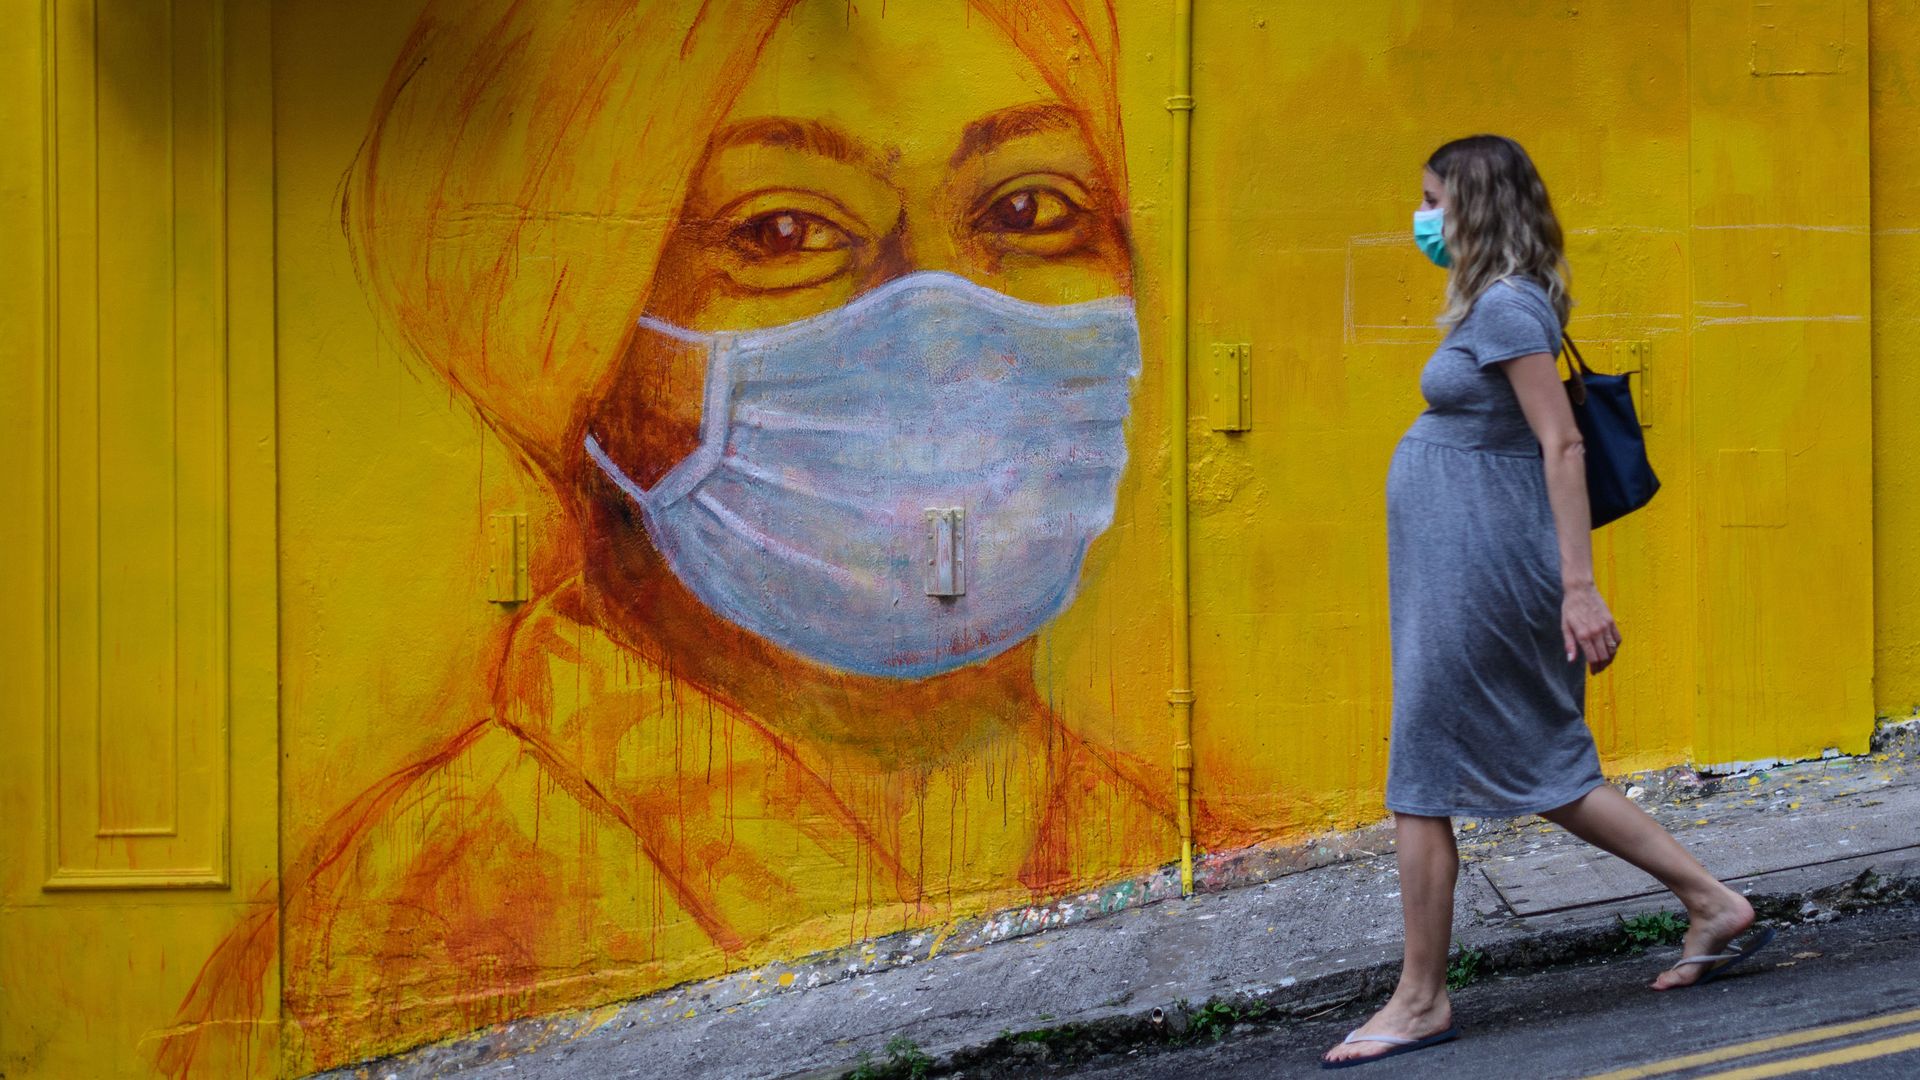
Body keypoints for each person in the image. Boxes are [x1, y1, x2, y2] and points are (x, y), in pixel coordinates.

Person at [154, 2, 1230, 1075]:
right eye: (784, 233)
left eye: (1033, 208)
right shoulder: (405, 936)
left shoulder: (1130, 839)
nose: (945, 315)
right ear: (581, 342)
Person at [1322, 135, 1772, 1069]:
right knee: (1540, 764)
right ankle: (1712, 903)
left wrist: (1579, 588)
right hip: (1462, 567)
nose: (1424, 221)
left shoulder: (1510, 304)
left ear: (1475, 205)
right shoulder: (1501, 301)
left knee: (1424, 776)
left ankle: (1420, 999)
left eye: (1433, 202)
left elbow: (1561, 446)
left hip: (1487, 572)